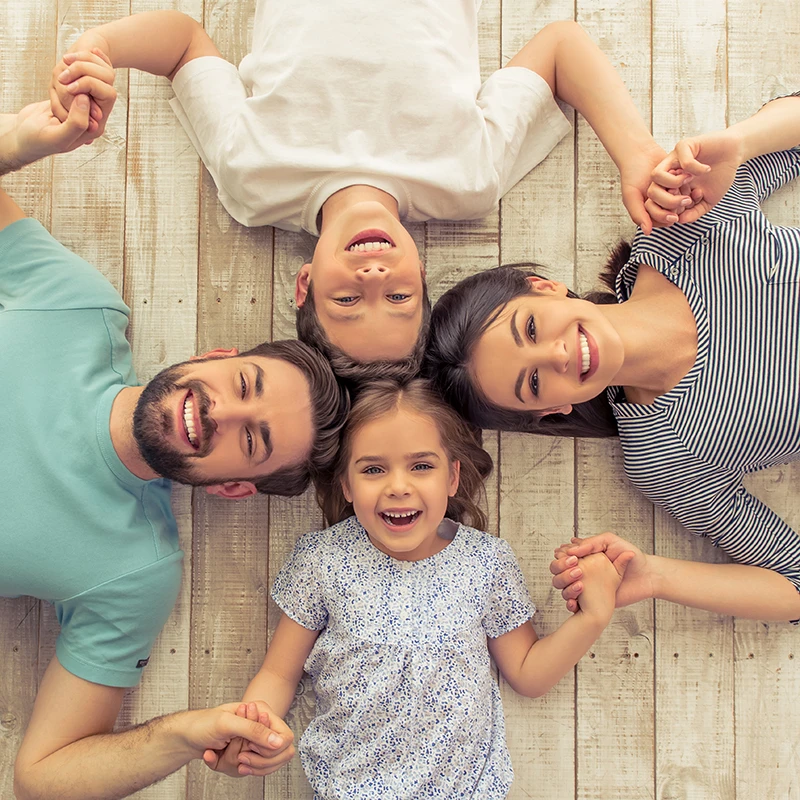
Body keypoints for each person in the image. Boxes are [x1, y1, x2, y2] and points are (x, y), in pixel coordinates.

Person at [0, 96, 345, 799]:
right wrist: (21, 145)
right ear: (214, 356)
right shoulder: (77, 307)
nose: (223, 412)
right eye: (243, 384)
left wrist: (184, 735)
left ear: (232, 487)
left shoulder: (136, 573)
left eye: (253, 440)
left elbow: (42, 776)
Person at [50, 8, 670, 381]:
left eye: (347, 299)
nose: (373, 276)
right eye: (398, 296)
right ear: (421, 273)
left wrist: (101, 48)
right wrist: (637, 153)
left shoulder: (252, 180)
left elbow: (184, 43)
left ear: (305, 282)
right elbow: (560, 47)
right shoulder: (468, 180)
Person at [424, 93, 800, 621]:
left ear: (545, 287)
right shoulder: (665, 456)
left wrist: (740, 141)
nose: (557, 354)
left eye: (530, 328)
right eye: (534, 383)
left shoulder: (678, 230)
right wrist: (656, 576)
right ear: (551, 410)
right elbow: (793, 584)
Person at [199, 379, 631, 797]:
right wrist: (251, 731)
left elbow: (528, 672)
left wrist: (593, 617)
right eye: (373, 469)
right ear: (346, 484)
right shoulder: (322, 561)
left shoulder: (486, 562)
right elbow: (278, 674)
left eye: (421, 466)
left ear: (452, 477)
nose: (399, 487)